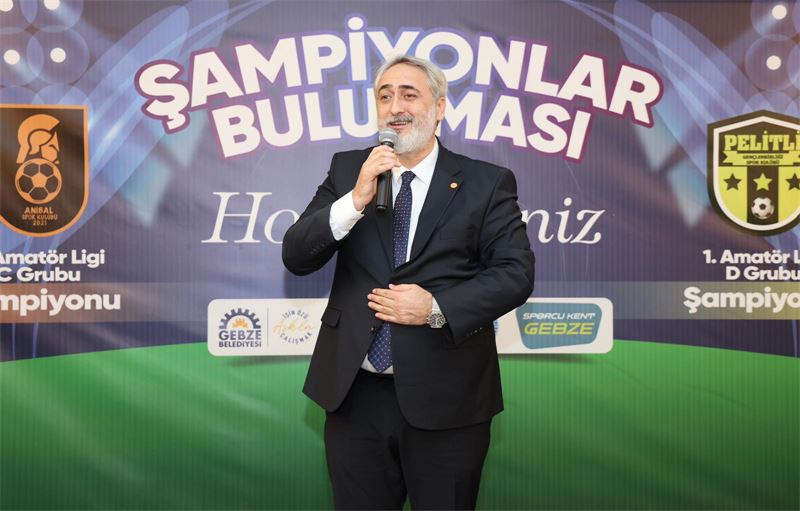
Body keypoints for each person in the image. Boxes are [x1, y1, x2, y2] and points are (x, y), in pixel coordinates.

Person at [282, 55, 535, 510]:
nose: (395, 106)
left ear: (439, 108)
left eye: (409, 94)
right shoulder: (349, 171)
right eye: (385, 96)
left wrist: (435, 308)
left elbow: (515, 274)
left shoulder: (486, 182)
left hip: (448, 399)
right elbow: (297, 255)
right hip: (354, 396)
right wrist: (354, 199)